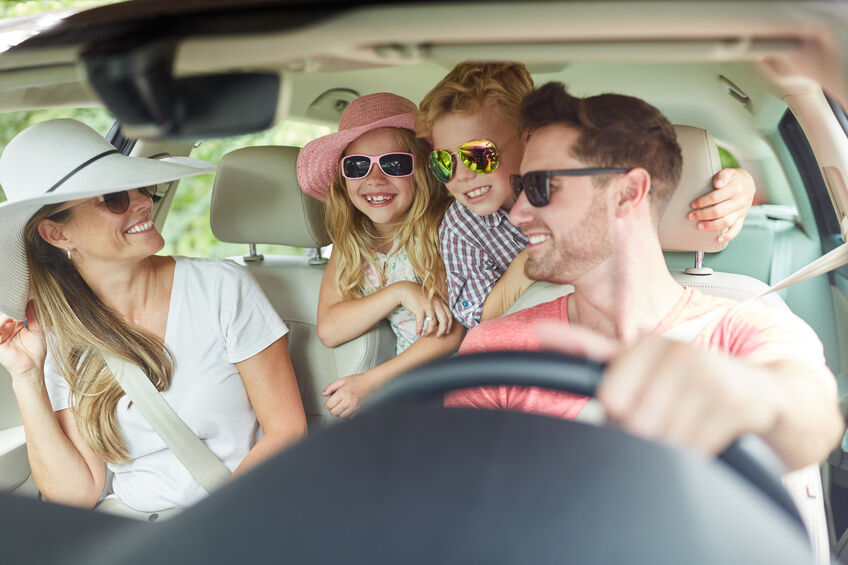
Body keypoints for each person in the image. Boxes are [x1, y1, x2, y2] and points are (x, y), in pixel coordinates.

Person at [444, 82, 843, 472]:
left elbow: (812, 418)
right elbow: (453, 495)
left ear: (628, 192)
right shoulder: (494, 347)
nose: (517, 214)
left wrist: (752, 396)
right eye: (520, 186)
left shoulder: (744, 330)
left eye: (541, 186)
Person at [0, 119, 307, 515]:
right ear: (58, 235)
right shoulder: (63, 334)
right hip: (135, 526)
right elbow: (75, 494)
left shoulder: (220, 288)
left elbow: (287, 431)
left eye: (141, 187)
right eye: (114, 197)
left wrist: (212, 529)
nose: (144, 201)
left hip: (236, 515)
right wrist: (25, 376)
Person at [416, 62, 758, 328]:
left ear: (529, 136)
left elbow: (664, 183)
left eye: (479, 154)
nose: (461, 175)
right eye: (444, 161)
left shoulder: (593, 180)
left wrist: (737, 187)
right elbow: (481, 319)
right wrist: (537, 254)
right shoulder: (461, 226)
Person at [296, 93, 464, 419]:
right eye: (357, 166)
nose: (374, 179)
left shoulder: (443, 230)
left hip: (458, 384)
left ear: (422, 170)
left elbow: (450, 334)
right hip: (409, 393)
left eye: (394, 164)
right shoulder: (353, 243)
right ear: (344, 181)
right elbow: (330, 329)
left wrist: (370, 382)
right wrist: (400, 292)